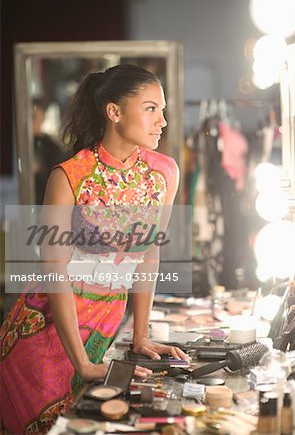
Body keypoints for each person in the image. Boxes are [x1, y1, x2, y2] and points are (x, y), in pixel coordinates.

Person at [0, 64, 189, 434]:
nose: (162, 121)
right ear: (114, 112)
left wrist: (140, 334)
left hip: (105, 328)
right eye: (151, 108)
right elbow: (54, 272)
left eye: (162, 110)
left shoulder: (165, 172)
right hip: (45, 333)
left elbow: (150, 254)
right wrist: (82, 363)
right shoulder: (70, 175)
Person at [32, 98, 68, 205]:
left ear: (42, 117)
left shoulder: (51, 147)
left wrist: (39, 168)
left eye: (34, 117)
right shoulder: (18, 144)